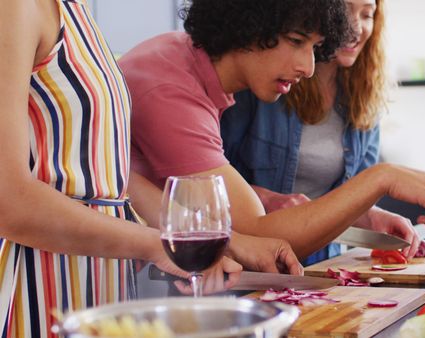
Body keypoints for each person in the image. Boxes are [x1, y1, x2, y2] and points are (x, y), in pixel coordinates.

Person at [0, 1, 301, 336]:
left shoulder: (76, 12)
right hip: (38, 282)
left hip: (100, 280)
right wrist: (157, 246)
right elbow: (9, 202)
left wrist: (228, 241)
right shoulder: (16, 7)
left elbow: (111, 175)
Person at [120, 0, 425, 265]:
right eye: (296, 41)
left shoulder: (188, 66)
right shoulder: (171, 87)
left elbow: (192, 197)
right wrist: (380, 178)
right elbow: (260, 233)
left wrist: (361, 214)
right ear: (249, 24)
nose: (309, 67)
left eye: (313, 47)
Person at [221, 0, 425, 265]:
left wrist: (370, 215)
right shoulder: (261, 83)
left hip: (322, 266)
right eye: (343, 12)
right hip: (247, 265)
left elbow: (350, 196)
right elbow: (203, 182)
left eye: (367, 15)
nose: (356, 28)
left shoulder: (365, 96)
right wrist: (266, 200)